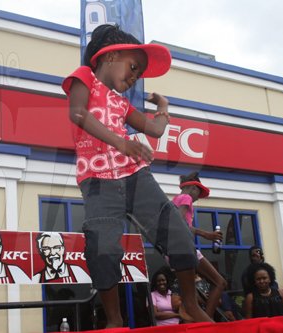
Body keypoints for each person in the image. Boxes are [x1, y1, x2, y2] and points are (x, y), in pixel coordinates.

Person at [62, 24, 212, 327]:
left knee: (178, 233)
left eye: (137, 75)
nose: (133, 78)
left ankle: (190, 307)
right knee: (103, 247)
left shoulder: (121, 103)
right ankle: (115, 320)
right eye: (132, 68)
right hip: (97, 181)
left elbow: (155, 130)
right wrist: (121, 142)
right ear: (110, 55)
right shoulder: (84, 77)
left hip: (135, 176)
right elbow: (77, 113)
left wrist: (164, 108)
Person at [172, 171, 227, 319]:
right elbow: (179, 222)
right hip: (184, 248)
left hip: (176, 249)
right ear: (193, 188)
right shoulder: (185, 198)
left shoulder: (175, 200)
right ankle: (206, 320)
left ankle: (198, 319)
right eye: (198, 193)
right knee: (219, 282)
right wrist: (206, 234)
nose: (197, 198)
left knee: (190, 298)